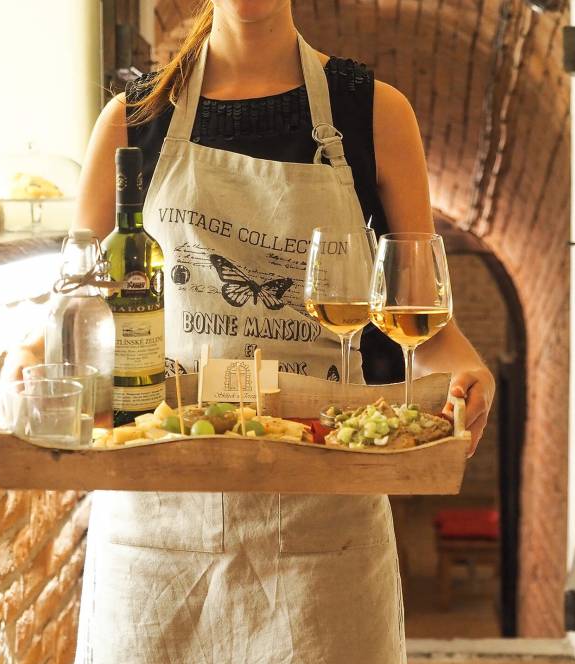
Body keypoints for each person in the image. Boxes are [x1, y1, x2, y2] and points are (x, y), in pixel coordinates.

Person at [68, 1, 495, 661]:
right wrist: (31, 358)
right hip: (160, 521)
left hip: (324, 525)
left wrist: (469, 371)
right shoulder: (134, 118)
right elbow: (73, 300)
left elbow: (423, 319)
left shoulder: (375, 114)